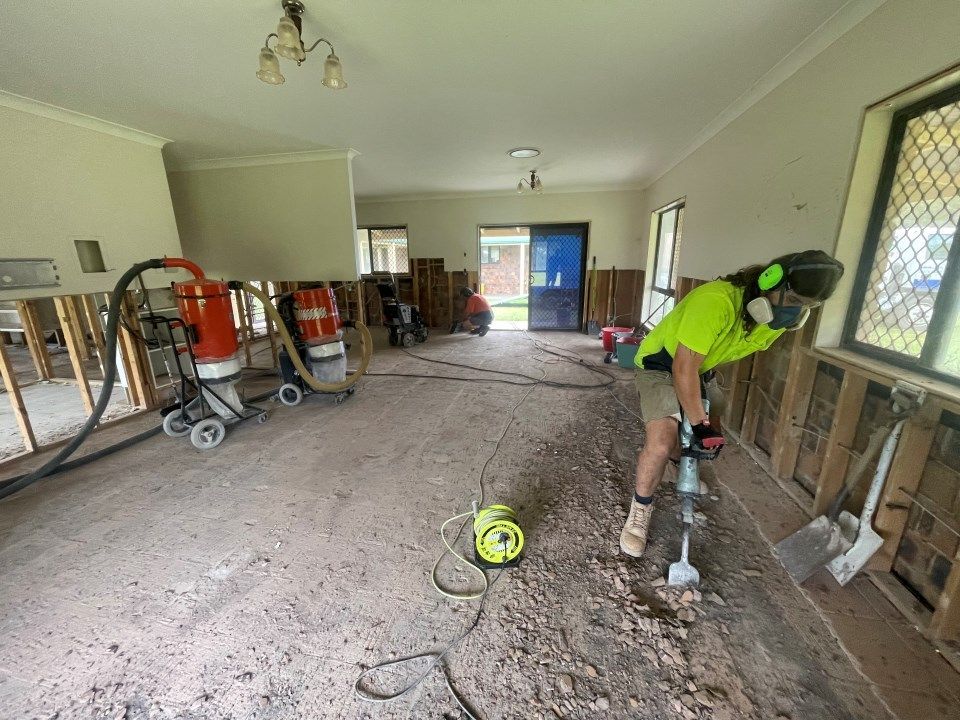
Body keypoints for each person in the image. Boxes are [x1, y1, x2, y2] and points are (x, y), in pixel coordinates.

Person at [619, 250, 845, 557]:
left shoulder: (773, 319)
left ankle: (680, 464)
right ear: (770, 281)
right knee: (662, 440)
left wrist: (703, 420)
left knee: (714, 420)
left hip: (698, 369)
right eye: (794, 301)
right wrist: (699, 422)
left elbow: (704, 364)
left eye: (808, 306)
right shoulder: (714, 303)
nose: (797, 312)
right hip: (661, 365)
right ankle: (640, 509)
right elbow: (682, 369)